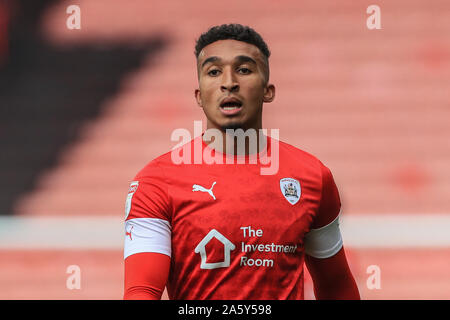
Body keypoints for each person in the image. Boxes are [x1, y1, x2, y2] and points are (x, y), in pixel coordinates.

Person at [123, 24, 360, 300]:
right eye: (213, 72)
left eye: (244, 70)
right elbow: (142, 292)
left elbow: (336, 284)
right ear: (199, 96)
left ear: (268, 91)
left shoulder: (313, 177)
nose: (229, 82)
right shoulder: (155, 182)